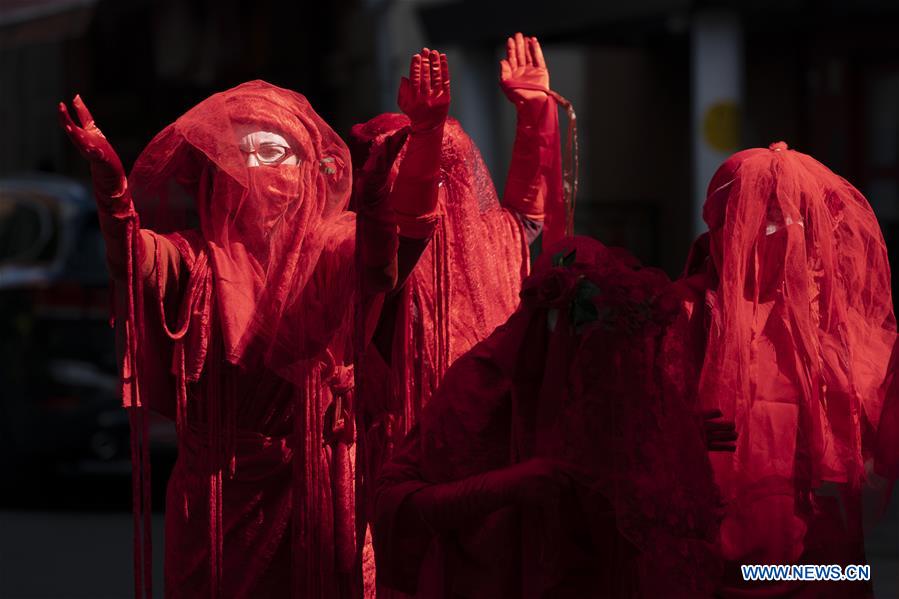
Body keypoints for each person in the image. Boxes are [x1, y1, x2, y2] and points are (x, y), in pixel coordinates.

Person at [58, 75, 445, 598]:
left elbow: (382, 265)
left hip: (314, 492)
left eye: (273, 151)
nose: (256, 169)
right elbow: (131, 258)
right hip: (213, 500)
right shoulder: (192, 258)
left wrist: (400, 170)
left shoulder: (333, 247)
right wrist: (114, 193)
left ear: (306, 171)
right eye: (242, 154)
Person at [372, 236, 724, 598]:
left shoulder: (606, 364)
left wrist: (673, 443)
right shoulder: (483, 379)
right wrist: (504, 486)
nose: (581, 347)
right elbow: (395, 504)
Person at [349, 35, 575, 596]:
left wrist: (537, 113)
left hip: (479, 457)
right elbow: (415, 223)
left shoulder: (499, 238)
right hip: (417, 458)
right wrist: (531, 117)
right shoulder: (373, 257)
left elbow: (527, 207)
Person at [667, 142, 896, 597]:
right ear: (724, 221)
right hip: (721, 538)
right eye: (761, 212)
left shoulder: (831, 315)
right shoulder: (687, 309)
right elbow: (641, 414)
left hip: (821, 543)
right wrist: (680, 431)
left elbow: (874, 418)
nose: (779, 229)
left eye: (793, 214)